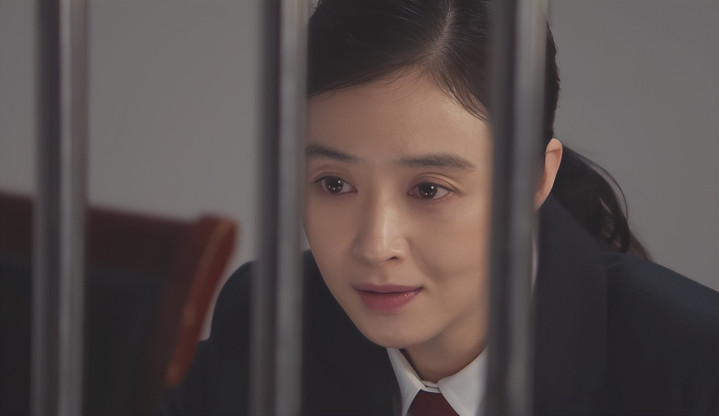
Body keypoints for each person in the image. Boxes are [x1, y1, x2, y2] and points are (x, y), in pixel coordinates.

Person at [162, 0, 719, 415]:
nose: (375, 245)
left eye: (429, 189)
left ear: (536, 177)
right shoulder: (269, 322)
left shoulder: (696, 368)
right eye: (333, 183)